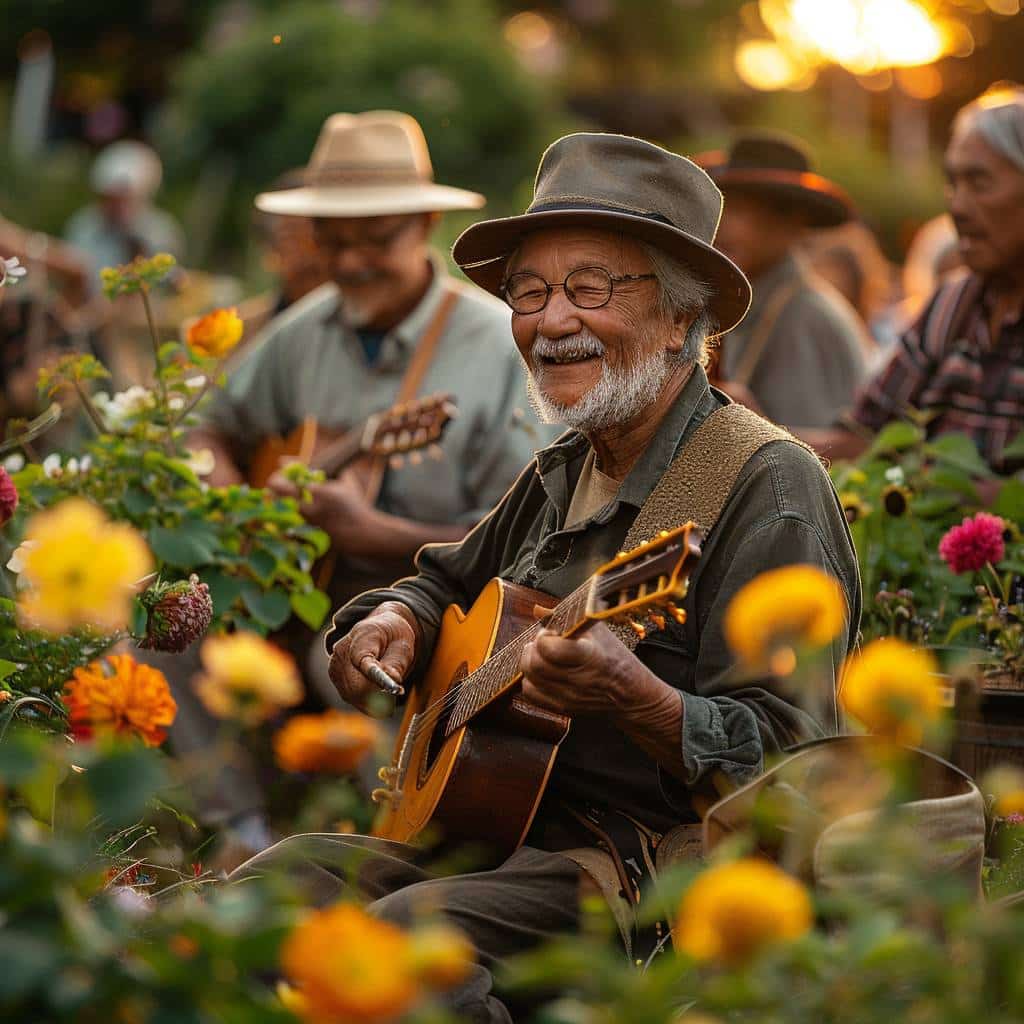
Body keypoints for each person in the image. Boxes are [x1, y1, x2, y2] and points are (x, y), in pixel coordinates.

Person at [234, 132, 861, 1022]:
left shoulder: (767, 485)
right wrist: (391, 623)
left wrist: (640, 698)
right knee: (261, 897)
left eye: (591, 288)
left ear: (685, 319)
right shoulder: (565, 465)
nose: (550, 320)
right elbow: (441, 582)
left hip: (637, 871)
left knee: (403, 952)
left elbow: (800, 764)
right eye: (529, 292)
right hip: (493, 834)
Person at [172, 111, 553, 859]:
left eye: (375, 240)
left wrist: (377, 537)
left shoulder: (496, 346)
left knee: (346, 657)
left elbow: (530, 539)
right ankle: (237, 837)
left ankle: (383, 857)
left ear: (426, 223)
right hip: (291, 581)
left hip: (428, 605)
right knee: (162, 629)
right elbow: (206, 424)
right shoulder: (307, 328)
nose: (349, 263)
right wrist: (232, 507)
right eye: (332, 241)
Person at [803, 86, 1024, 473]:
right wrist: (754, 435)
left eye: (979, 182)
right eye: (953, 183)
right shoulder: (952, 305)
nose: (956, 205)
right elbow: (866, 437)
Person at [698, 133, 870, 428]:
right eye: (719, 209)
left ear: (790, 222)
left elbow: (830, 453)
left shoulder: (806, 317)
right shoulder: (750, 300)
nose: (720, 225)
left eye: (737, 211)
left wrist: (751, 424)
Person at [64, 140, 185, 287]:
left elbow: (169, 285)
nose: (113, 206)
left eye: (122, 198)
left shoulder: (162, 232)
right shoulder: (83, 225)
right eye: (108, 197)